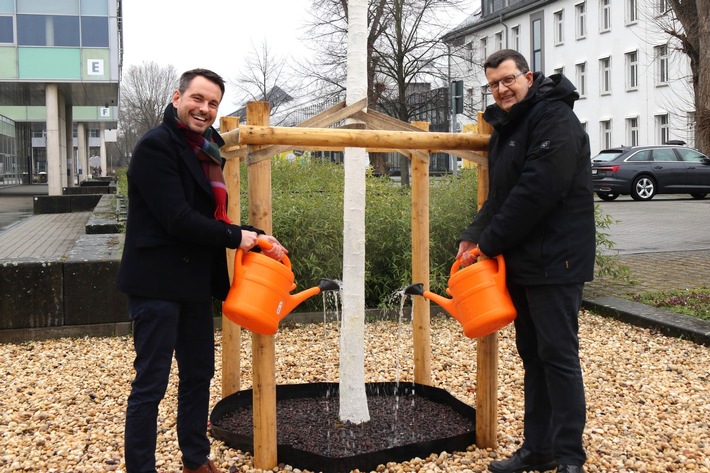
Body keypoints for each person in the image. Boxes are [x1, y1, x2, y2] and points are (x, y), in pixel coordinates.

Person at [117, 68, 286, 473]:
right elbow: (177, 219)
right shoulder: (156, 147)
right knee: (151, 384)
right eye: (198, 99)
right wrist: (239, 237)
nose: (205, 109)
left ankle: (195, 459)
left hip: (193, 282)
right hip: (157, 282)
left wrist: (257, 235)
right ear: (177, 97)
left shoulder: (209, 147)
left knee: (198, 375)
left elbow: (212, 214)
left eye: (213, 103)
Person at [456, 50, 595, 473]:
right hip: (523, 262)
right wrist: (472, 236)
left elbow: (539, 191)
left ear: (528, 77)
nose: (502, 89)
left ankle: (570, 455)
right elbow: (500, 196)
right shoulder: (509, 128)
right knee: (533, 356)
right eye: (494, 84)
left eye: (508, 79)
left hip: (558, 260)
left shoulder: (555, 119)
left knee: (558, 355)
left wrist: (490, 244)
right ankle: (539, 448)